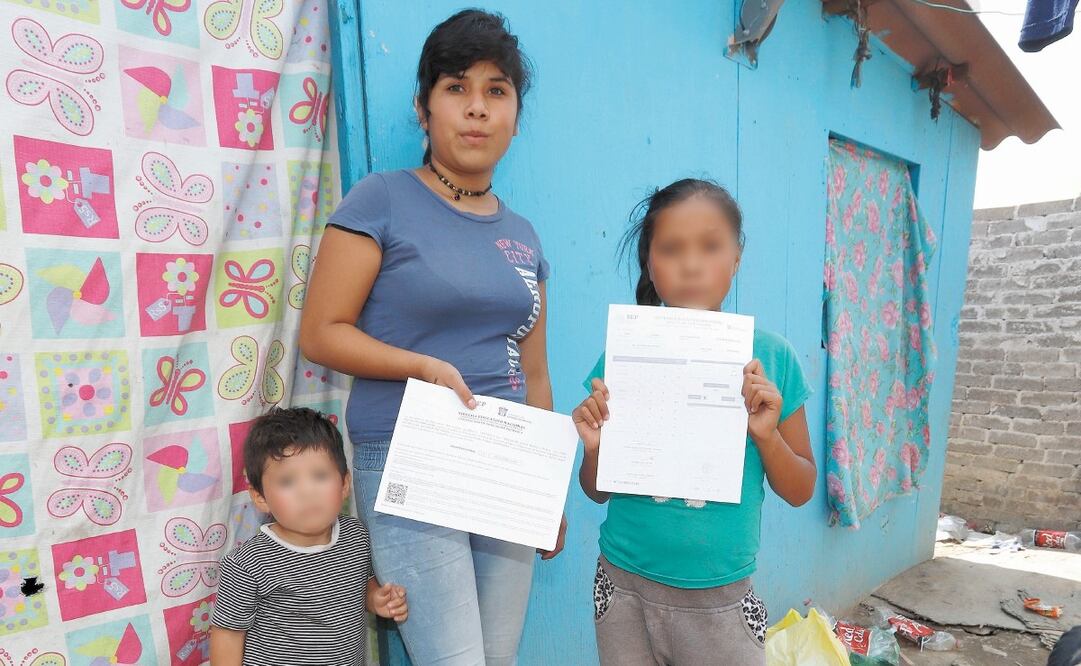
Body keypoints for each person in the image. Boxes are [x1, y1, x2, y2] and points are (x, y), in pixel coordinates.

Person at [298, 9, 563, 665]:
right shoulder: (381, 199)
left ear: (515, 117)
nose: (476, 109)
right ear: (423, 108)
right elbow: (321, 333)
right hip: (409, 453)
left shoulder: (523, 235)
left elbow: (535, 373)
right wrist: (422, 367)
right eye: (456, 88)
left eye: (495, 91)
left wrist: (547, 489)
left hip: (506, 463)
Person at [574, 179, 817, 665]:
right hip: (623, 586)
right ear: (650, 263)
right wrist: (596, 446)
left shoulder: (772, 359)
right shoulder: (625, 355)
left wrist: (766, 436)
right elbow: (596, 490)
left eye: (710, 246)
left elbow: (801, 489)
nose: (690, 264)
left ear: (737, 257)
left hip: (720, 601)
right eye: (670, 249)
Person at [209, 407, 408, 666]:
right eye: (288, 482)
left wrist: (375, 599)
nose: (307, 492)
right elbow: (227, 635)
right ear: (260, 497)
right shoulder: (247, 564)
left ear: (345, 484)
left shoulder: (356, 536)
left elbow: (361, 585)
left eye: (320, 476)